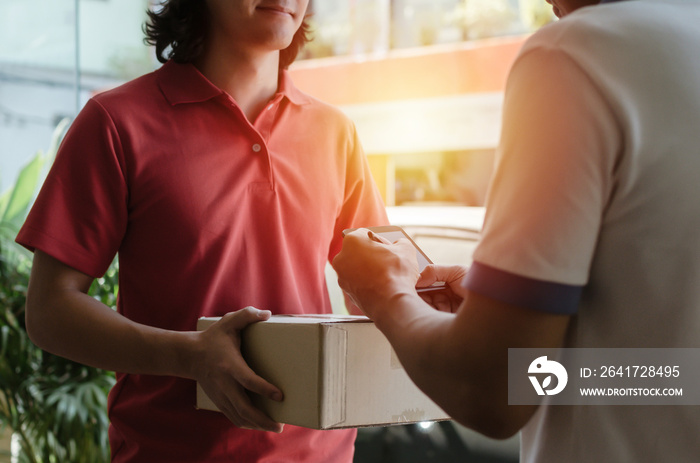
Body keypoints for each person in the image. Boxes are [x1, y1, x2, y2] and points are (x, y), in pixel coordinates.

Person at [18, 0, 387, 461]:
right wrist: (187, 356)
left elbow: (382, 291)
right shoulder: (115, 122)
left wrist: (437, 295)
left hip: (322, 453)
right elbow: (50, 309)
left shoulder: (337, 132)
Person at [332, 0, 700, 461]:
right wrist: (511, 322)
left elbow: (490, 391)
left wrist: (385, 293)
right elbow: (669, 377)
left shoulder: (577, 53)